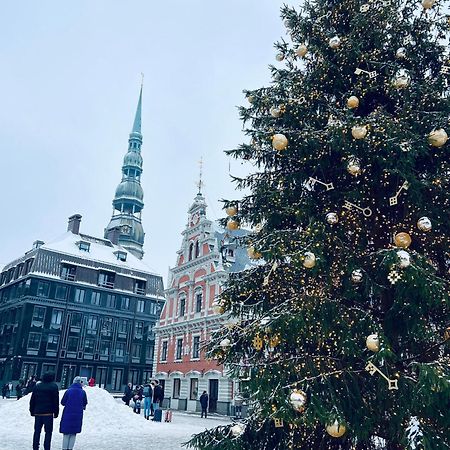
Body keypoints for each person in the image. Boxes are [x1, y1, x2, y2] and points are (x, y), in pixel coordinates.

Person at [29, 372, 59, 450]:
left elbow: (32, 400)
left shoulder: (37, 386)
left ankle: (35, 447)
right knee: (48, 432)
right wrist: (56, 412)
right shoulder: (54, 386)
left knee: (37, 431)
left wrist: (32, 411)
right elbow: (56, 401)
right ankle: (47, 447)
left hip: (38, 413)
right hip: (48, 413)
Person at [60, 376, 88, 450]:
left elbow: (63, 402)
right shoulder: (83, 392)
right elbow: (85, 403)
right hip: (78, 415)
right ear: (80, 383)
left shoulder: (68, 391)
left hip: (67, 414)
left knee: (66, 433)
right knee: (73, 433)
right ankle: (70, 448)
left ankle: (64, 448)